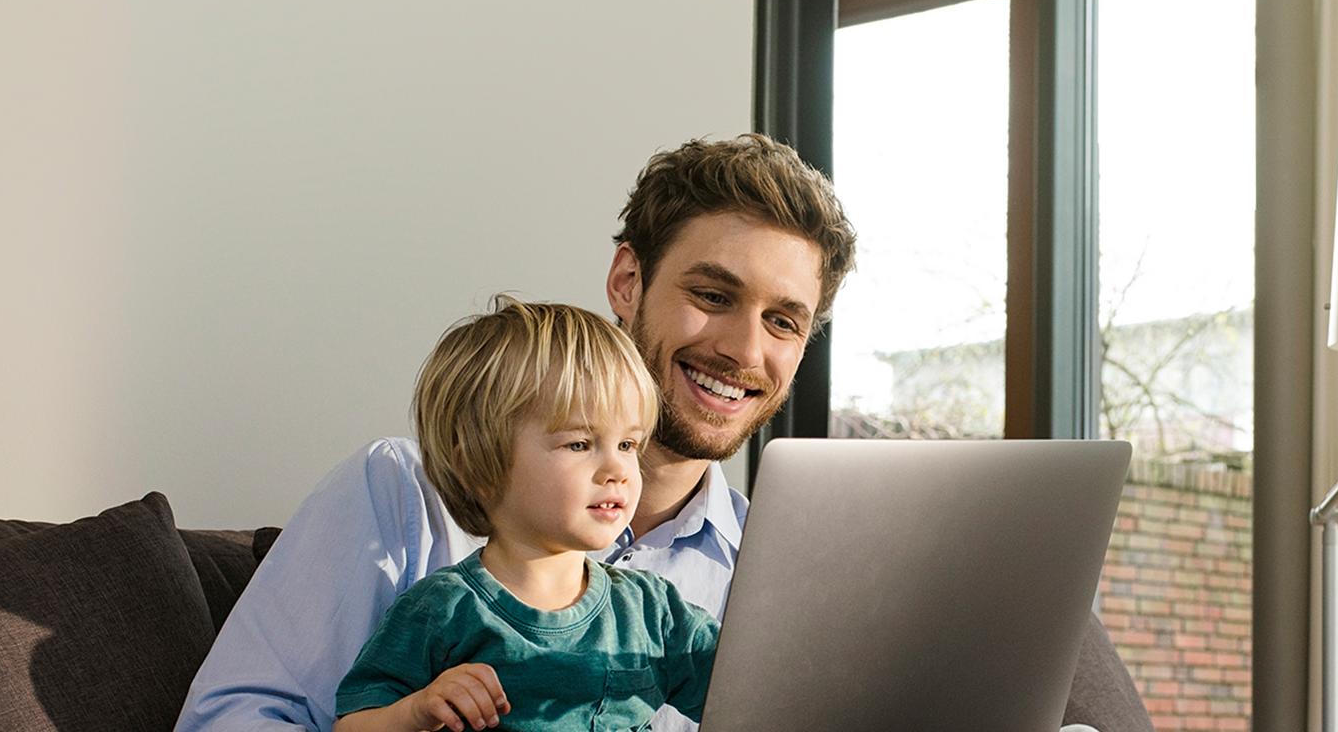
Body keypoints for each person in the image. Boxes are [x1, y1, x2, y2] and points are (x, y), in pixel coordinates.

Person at [176, 134, 1144, 731]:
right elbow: (231, 721)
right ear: (627, 283)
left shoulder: (786, 579)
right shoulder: (402, 496)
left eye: (782, 321)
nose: (740, 349)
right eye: (712, 295)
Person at [335, 298, 717, 732]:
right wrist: (418, 709)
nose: (618, 471)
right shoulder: (442, 611)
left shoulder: (652, 612)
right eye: (579, 443)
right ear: (480, 465)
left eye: (628, 445)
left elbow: (758, 694)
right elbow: (353, 725)